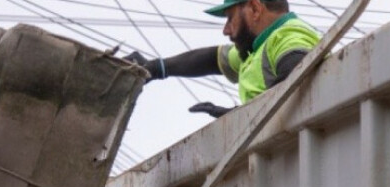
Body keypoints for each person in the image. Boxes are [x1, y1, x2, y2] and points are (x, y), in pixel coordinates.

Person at [125, 0, 321, 117]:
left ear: (254, 8)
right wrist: (157, 68)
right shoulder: (259, 47)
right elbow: (214, 58)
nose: (226, 30)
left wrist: (238, 118)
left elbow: (295, 80)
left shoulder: (290, 37)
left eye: (230, 18)